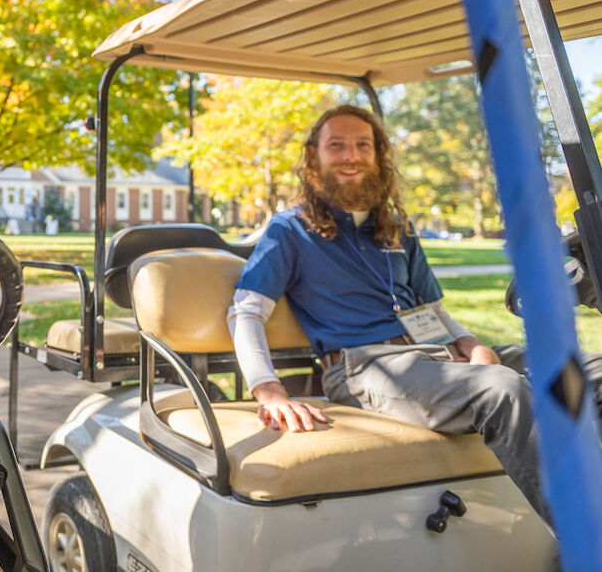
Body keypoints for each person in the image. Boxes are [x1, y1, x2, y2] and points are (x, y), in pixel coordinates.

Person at [228, 103, 602, 524]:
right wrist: (269, 390)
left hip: (438, 354)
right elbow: (246, 311)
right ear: (314, 157)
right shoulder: (290, 229)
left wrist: (472, 344)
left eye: (363, 145)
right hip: (364, 365)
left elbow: (433, 310)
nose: (351, 155)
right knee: (501, 389)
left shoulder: (396, 228)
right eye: (337, 145)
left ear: (378, 155)